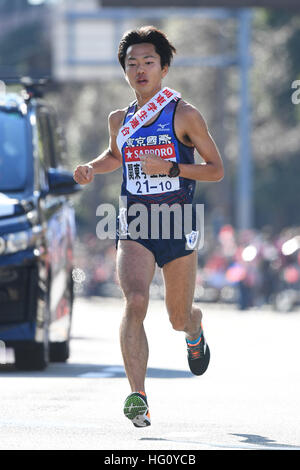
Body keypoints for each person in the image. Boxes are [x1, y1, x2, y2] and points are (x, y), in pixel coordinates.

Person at [73, 26, 224, 428]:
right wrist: (92, 166)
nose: (140, 69)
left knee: (177, 317)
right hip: (136, 220)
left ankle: (195, 329)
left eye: (148, 62)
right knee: (135, 301)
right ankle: (138, 396)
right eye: (132, 63)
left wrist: (172, 167)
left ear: (164, 67)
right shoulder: (120, 119)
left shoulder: (184, 114)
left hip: (177, 220)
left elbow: (216, 170)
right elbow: (113, 155)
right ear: (124, 70)